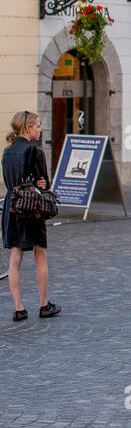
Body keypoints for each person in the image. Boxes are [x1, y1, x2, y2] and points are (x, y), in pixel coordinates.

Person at [2, 111, 60, 322]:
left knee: (15, 257)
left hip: (13, 207)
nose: (40, 129)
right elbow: (43, 183)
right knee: (40, 255)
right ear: (27, 128)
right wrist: (41, 185)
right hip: (31, 206)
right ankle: (44, 305)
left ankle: (19, 308)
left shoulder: (7, 152)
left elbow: (10, 182)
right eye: (37, 126)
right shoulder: (35, 152)